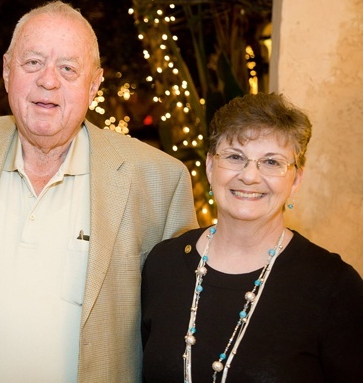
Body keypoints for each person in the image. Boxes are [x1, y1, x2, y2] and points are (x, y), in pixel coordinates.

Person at [0, 0, 198, 382]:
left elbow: (184, 318)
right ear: (8, 71)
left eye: (68, 69)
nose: (48, 80)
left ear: (94, 85)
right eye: (33, 63)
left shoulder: (158, 178)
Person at [141, 92, 363, 382]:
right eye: (235, 157)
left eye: (271, 162)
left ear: (295, 180)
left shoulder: (335, 287)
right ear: (210, 166)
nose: (250, 176)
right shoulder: (162, 265)